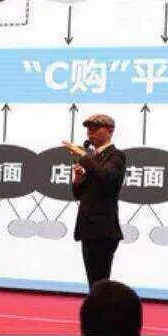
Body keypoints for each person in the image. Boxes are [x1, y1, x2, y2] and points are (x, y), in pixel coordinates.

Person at [62, 113, 126, 288]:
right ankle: (96, 304)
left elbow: (106, 178)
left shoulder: (116, 156)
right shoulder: (92, 158)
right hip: (87, 227)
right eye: (89, 129)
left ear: (110, 131)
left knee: (100, 281)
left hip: (103, 228)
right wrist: (78, 178)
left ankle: (101, 306)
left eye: (96, 128)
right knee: (93, 280)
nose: (90, 132)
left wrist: (83, 155)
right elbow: (79, 194)